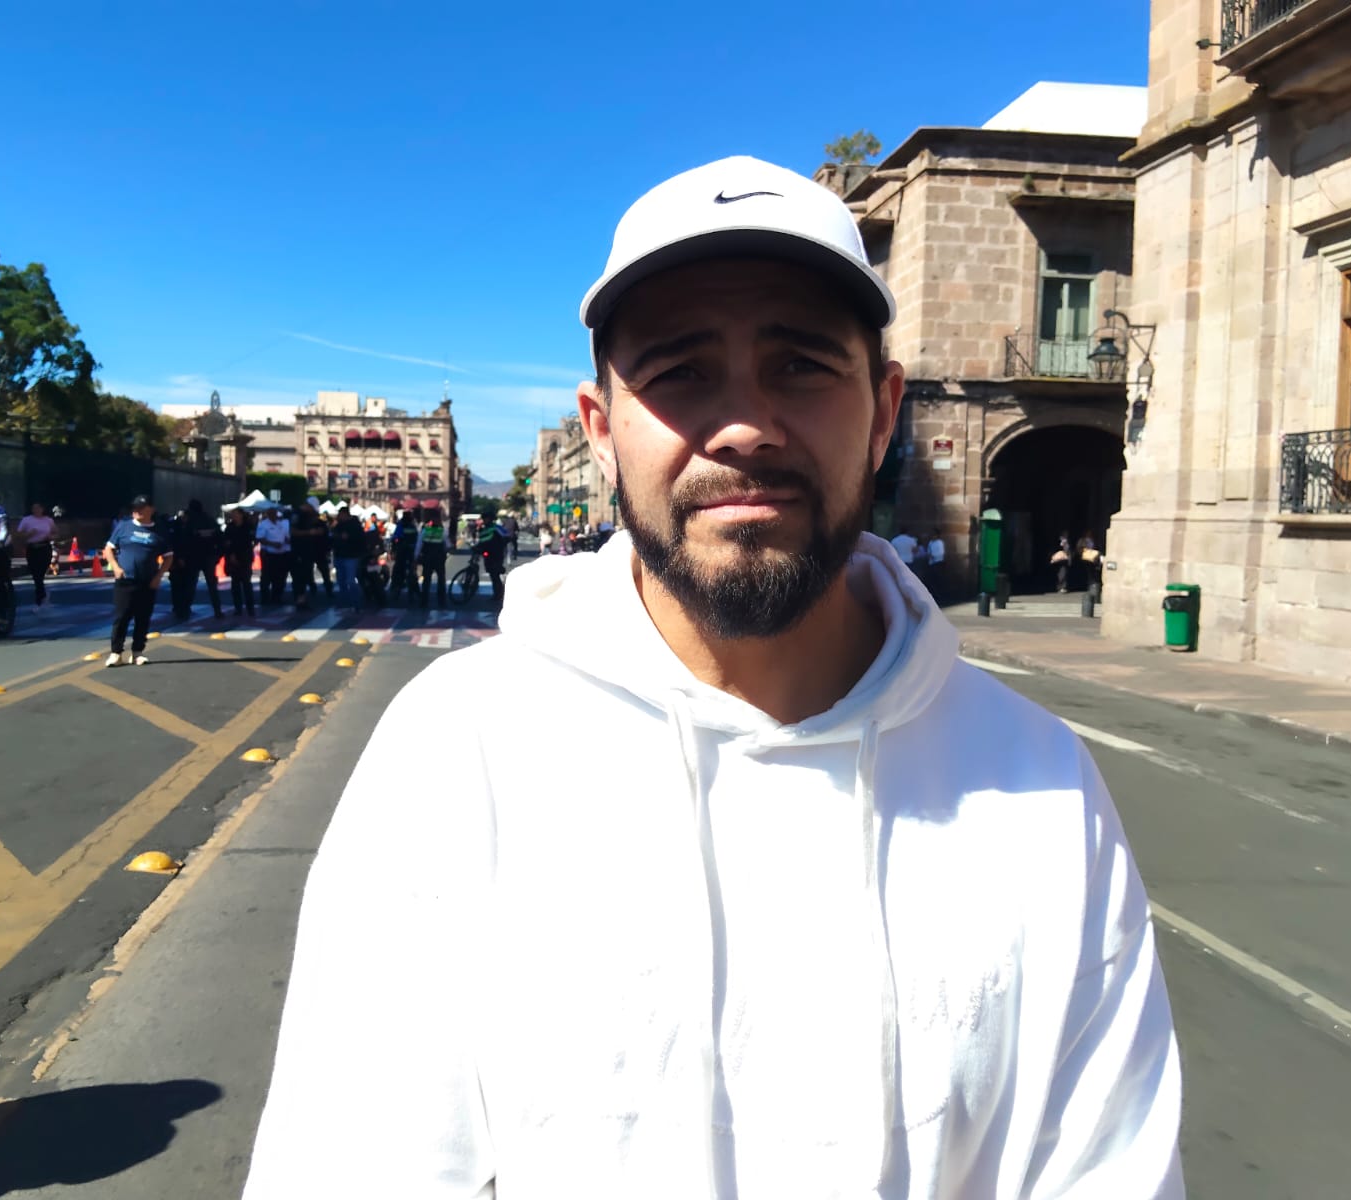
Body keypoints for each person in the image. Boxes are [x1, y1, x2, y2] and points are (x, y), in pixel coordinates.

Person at [243, 155, 1183, 1199]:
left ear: (883, 414)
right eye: (681, 373)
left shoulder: (1040, 779)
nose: (744, 426)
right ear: (601, 431)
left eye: (801, 366)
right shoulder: (457, 748)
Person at [102, 494, 170, 667]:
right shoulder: (124, 526)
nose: (137, 511)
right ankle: (116, 653)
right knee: (121, 617)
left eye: (142, 508)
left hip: (147, 581)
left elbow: (169, 557)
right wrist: (116, 568)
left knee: (143, 617)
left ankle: (137, 652)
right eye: (135, 508)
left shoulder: (159, 530)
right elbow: (108, 549)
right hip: (126, 580)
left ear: (151, 509)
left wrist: (158, 576)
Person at [181, 497, 225, 618]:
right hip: (209, 555)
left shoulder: (190, 522)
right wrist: (218, 555)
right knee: (212, 585)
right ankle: (217, 610)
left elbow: (184, 540)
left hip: (194, 556)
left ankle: (185, 609)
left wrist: (183, 556)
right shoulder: (210, 520)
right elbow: (220, 538)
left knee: (191, 584)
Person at [16, 501, 57, 611]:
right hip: (32, 548)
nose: (36, 510)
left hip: (45, 547)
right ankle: (41, 594)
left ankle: (40, 593)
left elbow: (55, 533)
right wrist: (29, 534)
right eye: (34, 508)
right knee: (35, 572)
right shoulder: (27, 520)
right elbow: (19, 535)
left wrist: (50, 536)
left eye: (38, 508)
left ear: (42, 509)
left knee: (41, 571)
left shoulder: (48, 520)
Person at [330, 505, 367, 613]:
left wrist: (348, 538)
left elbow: (361, 540)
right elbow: (334, 536)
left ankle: (356, 603)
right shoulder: (338, 525)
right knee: (341, 581)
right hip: (340, 555)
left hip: (351, 556)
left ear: (345, 514)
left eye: (340, 514)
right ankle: (345, 603)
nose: (338, 516)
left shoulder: (355, 525)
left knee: (350, 581)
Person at [223, 506, 257, 618]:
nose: (234, 516)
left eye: (236, 514)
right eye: (233, 514)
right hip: (233, 558)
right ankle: (238, 608)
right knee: (235, 584)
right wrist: (231, 554)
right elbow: (226, 542)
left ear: (241, 515)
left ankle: (250, 608)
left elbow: (251, 540)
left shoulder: (248, 526)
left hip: (245, 557)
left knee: (246, 583)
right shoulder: (230, 527)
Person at [256, 505, 292, 607]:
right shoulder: (263, 524)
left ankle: (277, 597)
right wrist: (272, 544)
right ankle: (265, 598)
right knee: (266, 577)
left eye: (275, 513)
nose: (274, 515)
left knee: (280, 576)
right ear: (268, 514)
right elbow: (260, 538)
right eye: (272, 513)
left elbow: (285, 536)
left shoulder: (280, 524)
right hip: (269, 554)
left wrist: (287, 541)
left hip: (281, 553)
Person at [415, 506, 448, 607]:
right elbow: (447, 544)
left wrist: (415, 557)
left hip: (427, 558)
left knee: (427, 580)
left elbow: (419, 545)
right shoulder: (442, 531)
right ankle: (441, 601)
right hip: (439, 558)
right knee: (441, 579)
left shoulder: (425, 530)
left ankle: (424, 601)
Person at [388, 509, 419, 603]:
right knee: (411, 573)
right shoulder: (412, 526)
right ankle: (413, 592)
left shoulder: (401, 525)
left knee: (398, 571)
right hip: (410, 552)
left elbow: (395, 538)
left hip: (401, 552)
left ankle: (396, 589)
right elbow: (416, 539)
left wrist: (393, 550)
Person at [476, 514, 507, 603]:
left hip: (496, 554)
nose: (485, 520)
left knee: (495, 574)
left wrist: (498, 547)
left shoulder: (496, 528)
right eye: (484, 519)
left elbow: (506, 537)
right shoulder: (483, 529)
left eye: (486, 518)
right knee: (492, 574)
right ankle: (497, 593)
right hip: (487, 554)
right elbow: (482, 541)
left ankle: (499, 594)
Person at [925, 527, 946, 596]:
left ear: (937, 535)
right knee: (932, 580)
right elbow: (928, 551)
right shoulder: (930, 542)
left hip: (938, 563)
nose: (932, 536)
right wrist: (929, 555)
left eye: (934, 534)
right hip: (931, 563)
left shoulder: (940, 543)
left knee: (938, 579)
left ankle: (940, 594)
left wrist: (933, 556)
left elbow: (941, 553)